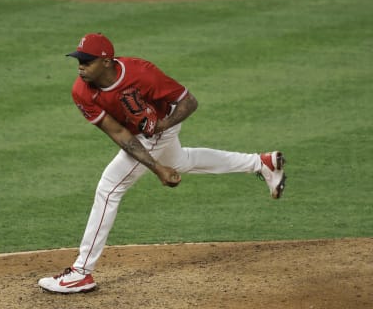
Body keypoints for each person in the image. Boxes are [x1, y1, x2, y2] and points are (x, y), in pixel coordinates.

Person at [38, 33, 286, 293]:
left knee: (109, 188)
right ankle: (262, 163)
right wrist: (157, 167)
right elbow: (120, 133)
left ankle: (81, 272)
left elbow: (189, 101)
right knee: (182, 161)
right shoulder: (81, 91)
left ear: (107, 61)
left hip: (160, 127)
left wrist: (162, 127)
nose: (80, 66)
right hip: (140, 134)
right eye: (79, 60)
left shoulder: (142, 73)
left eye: (87, 61)